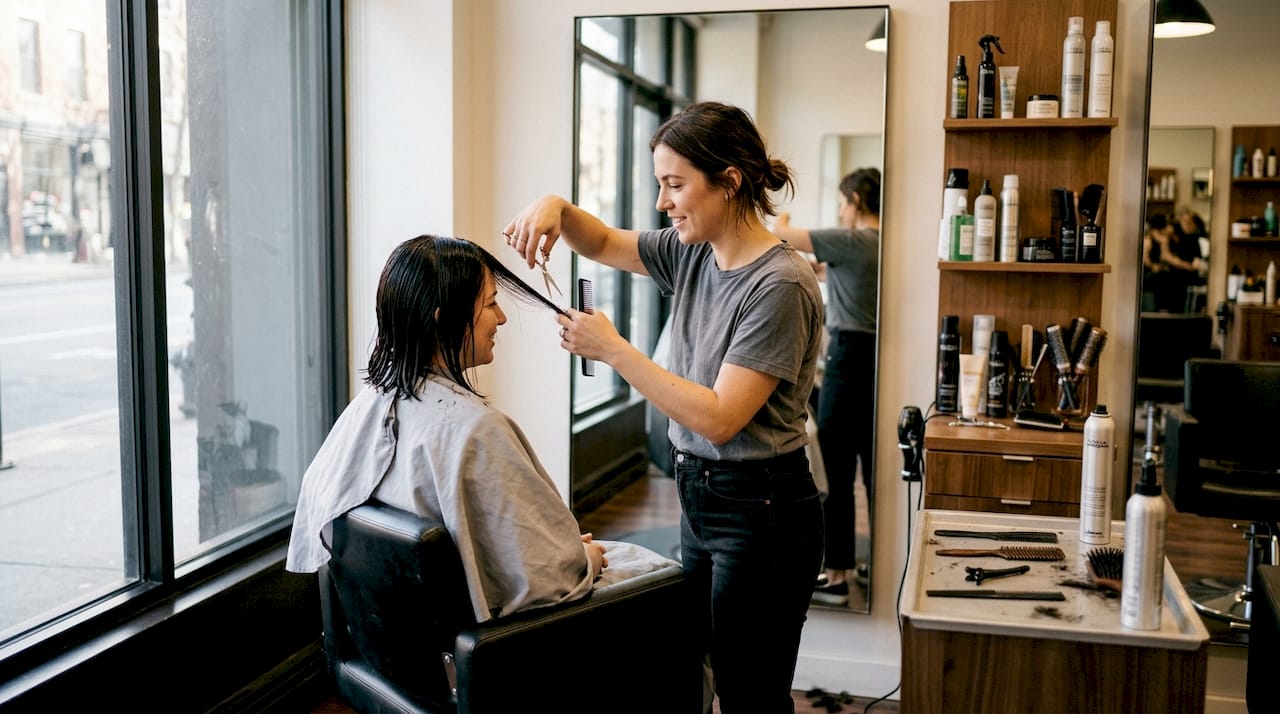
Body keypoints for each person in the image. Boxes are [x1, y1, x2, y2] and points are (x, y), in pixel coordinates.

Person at [504, 101, 825, 714]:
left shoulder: (778, 284)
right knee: (694, 669)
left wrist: (615, 350)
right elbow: (597, 240)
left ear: (729, 181)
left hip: (762, 511)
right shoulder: (692, 252)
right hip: (701, 497)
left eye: (675, 185)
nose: (662, 202)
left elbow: (719, 417)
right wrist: (557, 207)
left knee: (750, 693)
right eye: (660, 184)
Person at [285, 235, 674, 624]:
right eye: (490, 303)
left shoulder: (369, 408)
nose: (501, 318)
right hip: (508, 642)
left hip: (409, 641)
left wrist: (557, 550)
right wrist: (579, 557)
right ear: (443, 319)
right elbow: (553, 580)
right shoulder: (475, 432)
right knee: (665, 574)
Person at [773, 167, 880, 607]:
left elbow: (782, 235)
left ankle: (837, 572)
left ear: (856, 200)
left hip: (848, 357)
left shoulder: (855, 239)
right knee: (873, 469)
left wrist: (783, 218)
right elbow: (823, 268)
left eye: (841, 202)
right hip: (879, 359)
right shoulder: (881, 247)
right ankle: (881, 561)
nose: (840, 210)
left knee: (834, 466)